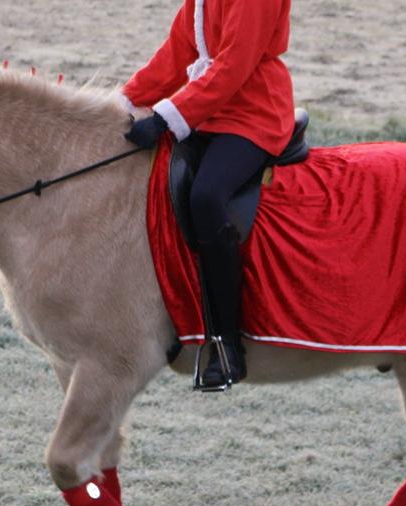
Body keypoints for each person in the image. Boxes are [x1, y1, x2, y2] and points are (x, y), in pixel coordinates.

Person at [120, 0, 295, 388]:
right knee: (158, 182)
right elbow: (177, 53)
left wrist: (167, 116)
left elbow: (233, 65)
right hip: (210, 112)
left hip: (255, 115)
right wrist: (125, 102)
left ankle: (226, 343)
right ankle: (170, 319)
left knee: (206, 197)